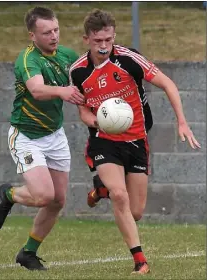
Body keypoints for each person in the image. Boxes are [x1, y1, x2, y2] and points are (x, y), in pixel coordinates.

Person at [69, 9, 201, 275]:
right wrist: (97, 122)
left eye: (108, 39)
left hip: (137, 140)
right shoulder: (78, 71)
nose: (104, 46)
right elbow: (82, 110)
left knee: (136, 211)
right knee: (120, 196)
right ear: (87, 40)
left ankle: (100, 191)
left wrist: (182, 122)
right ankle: (140, 261)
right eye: (98, 41)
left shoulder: (129, 59)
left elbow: (168, 84)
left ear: (114, 36)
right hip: (103, 140)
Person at [0, 6, 84, 271]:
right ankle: (8, 194)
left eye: (56, 30)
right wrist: (64, 91)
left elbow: (85, 81)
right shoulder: (27, 58)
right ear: (33, 35)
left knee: (58, 201)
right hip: (26, 136)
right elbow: (37, 90)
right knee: (44, 196)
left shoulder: (67, 55)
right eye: (46, 32)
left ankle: (28, 253)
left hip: (55, 135)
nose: (53, 36)